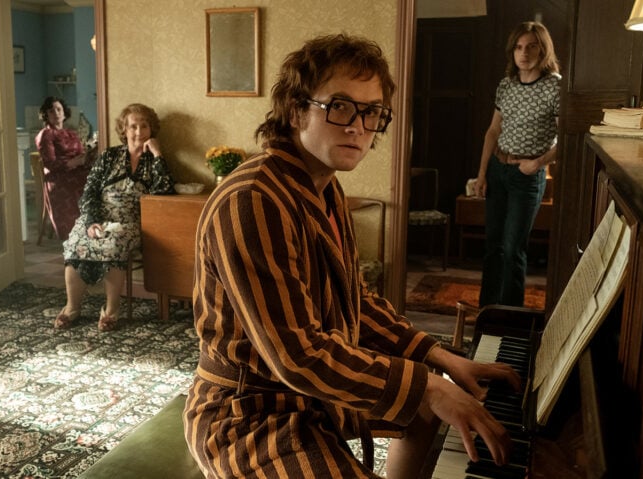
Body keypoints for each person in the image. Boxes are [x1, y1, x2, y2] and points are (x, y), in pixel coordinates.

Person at [183, 34, 520, 478]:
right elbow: (297, 356)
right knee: (426, 397)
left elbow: (355, 303)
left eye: (372, 111)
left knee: (429, 408)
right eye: (340, 106)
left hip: (307, 395)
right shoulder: (254, 200)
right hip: (248, 414)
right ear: (296, 110)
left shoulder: (326, 188)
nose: (358, 126)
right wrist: (427, 387)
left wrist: (441, 359)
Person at [54, 103, 175, 332]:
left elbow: (165, 193)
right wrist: (91, 222)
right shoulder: (109, 156)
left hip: (129, 223)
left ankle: (111, 310)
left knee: (113, 244)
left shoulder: (154, 161)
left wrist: (158, 155)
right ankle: (72, 307)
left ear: (151, 129)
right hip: (98, 217)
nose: (139, 132)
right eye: (133, 126)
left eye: (144, 126)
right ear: (124, 130)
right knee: (76, 243)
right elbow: (89, 192)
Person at [475, 21, 560, 308]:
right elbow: (493, 131)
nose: (524, 53)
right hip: (498, 170)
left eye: (531, 47)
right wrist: (482, 174)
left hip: (527, 176)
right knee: (493, 246)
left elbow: (567, 140)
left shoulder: (554, 86)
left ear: (543, 50)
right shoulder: (507, 85)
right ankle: (487, 312)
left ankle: (510, 317)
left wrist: (538, 163)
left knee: (513, 249)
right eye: (519, 47)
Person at [35, 96, 93, 240]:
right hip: (59, 177)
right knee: (88, 185)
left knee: (97, 181)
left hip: (76, 172)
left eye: (59, 109)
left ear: (64, 112)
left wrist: (86, 158)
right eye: (51, 111)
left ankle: (91, 230)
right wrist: (72, 163)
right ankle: (75, 236)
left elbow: (81, 154)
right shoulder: (46, 134)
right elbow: (50, 164)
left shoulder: (71, 133)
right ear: (46, 115)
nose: (56, 113)